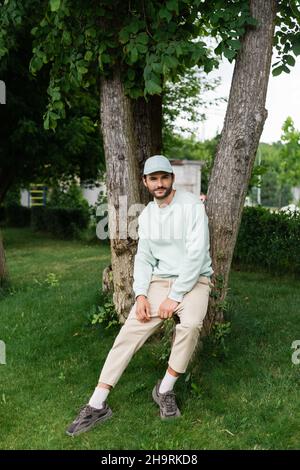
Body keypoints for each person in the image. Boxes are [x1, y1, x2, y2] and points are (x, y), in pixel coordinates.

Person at [66, 155, 213, 437]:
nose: (160, 183)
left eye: (164, 177)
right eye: (153, 179)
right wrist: (142, 295)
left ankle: (164, 389)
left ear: (172, 179)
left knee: (191, 324)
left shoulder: (192, 206)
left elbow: (196, 255)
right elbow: (144, 258)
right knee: (128, 334)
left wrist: (177, 295)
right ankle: (97, 404)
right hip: (160, 282)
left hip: (194, 280)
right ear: (146, 182)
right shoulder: (146, 215)